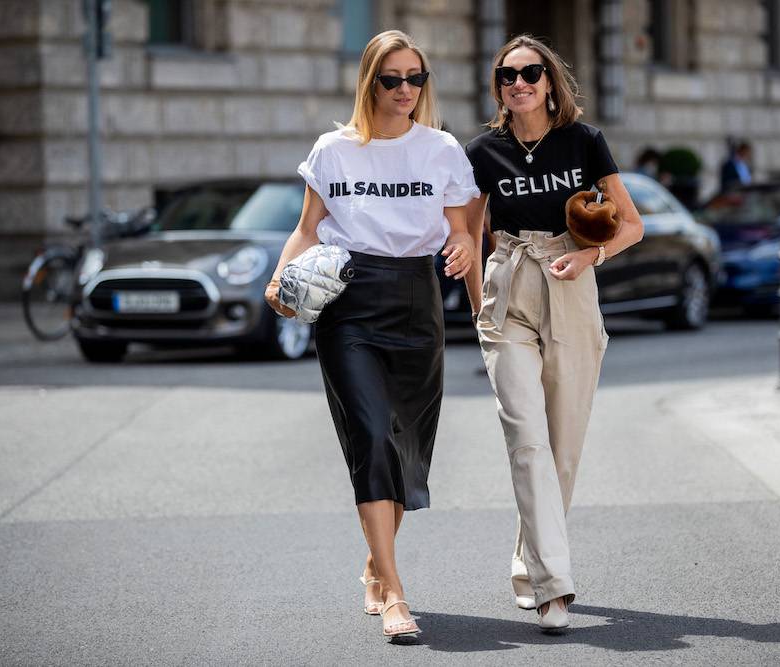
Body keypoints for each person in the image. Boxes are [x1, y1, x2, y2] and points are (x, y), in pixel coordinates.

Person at [264, 29, 479, 639]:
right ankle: (395, 595)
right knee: (370, 436)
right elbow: (308, 229)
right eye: (393, 79)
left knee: (405, 441)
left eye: (416, 78)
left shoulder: (441, 150)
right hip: (350, 303)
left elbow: (461, 229)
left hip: (417, 299)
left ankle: (373, 566)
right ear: (370, 83)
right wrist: (279, 280)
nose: (406, 90)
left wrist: (462, 248)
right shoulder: (334, 150)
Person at [464, 35, 644, 631]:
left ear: (549, 82)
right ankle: (553, 589)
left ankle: (529, 562)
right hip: (509, 287)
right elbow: (470, 237)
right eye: (506, 75)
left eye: (530, 73)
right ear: (498, 87)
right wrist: (478, 310)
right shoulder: (482, 152)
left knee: (562, 449)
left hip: (570, 284)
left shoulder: (583, 142)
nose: (518, 83)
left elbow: (631, 226)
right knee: (527, 439)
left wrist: (589, 258)